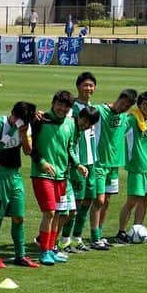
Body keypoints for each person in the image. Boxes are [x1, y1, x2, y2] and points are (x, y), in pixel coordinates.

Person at [30, 90, 88, 266]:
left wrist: (78, 164)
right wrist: (41, 162)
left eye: (66, 106)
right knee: (49, 213)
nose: (62, 108)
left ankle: (51, 248)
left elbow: (70, 148)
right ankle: (45, 251)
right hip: (43, 174)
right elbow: (29, 145)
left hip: (62, 175)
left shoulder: (71, 124)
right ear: (53, 103)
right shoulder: (40, 120)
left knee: (57, 215)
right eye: (60, 104)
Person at [0, 101, 39, 268]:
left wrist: (23, 134)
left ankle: (20, 256)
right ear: (13, 114)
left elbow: (28, 151)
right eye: (18, 118)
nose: (20, 121)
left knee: (19, 216)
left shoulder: (26, 126)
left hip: (15, 174)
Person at [115, 91, 147, 239]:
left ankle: (136, 229)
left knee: (145, 200)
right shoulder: (131, 120)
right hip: (136, 168)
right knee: (132, 201)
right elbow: (118, 125)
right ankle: (121, 231)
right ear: (139, 105)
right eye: (145, 104)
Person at [89, 88, 136, 249]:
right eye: (124, 103)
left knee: (106, 201)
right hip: (99, 164)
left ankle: (99, 234)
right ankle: (94, 236)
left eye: (128, 106)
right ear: (119, 98)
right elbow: (79, 114)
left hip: (114, 165)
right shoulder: (100, 111)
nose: (124, 108)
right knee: (98, 200)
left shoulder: (125, 117)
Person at [60, 72, 98, 253]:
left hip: (92, 162)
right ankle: (64, 239)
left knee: (88, 202)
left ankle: (77, 238)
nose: (88, 89)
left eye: (91, 85)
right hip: (78, 163)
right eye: (85, 85)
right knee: (75, 203)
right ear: (78, 86)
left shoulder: (92, 107)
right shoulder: (71, 108)